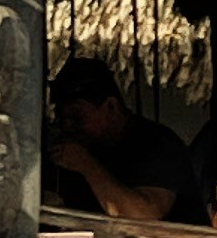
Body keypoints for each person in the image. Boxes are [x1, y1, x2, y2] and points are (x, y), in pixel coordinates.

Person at [47, 59, 200, 225]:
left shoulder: (157, 145)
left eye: (76, 116)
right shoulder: (74, 151)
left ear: (111, 107)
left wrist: (86, 165)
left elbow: (144, 215)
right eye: (62, 117)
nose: (67, 125)